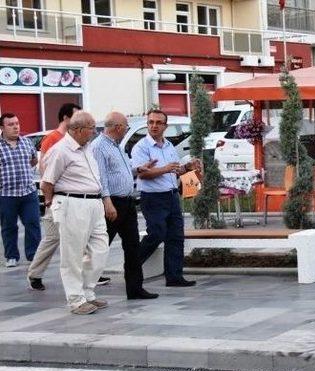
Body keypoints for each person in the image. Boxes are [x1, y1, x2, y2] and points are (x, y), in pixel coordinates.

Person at [40, 111, 109, 315]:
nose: (94, 132)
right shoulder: (60, 150)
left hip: (93, 203)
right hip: (72, 202)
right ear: (78, 130)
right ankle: (76, 299)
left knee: (100, 250)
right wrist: (52, 203)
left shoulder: (87, 148)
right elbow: (47, 182)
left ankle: (87, 293)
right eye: (91, 128)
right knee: (72, 254)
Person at [92, 112, 158, 299]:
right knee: (100, 246)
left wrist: (138, 170)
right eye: (126, 127)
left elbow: (121, 171)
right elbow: (101, 177)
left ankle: (135, 288)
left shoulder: (117, 146)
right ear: (118, 127)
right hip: (112, 203)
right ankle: (85, 287)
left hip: (127, 202)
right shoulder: (99, 147)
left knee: (132, 248)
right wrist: (107, 201)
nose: (127, 129)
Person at [132, 109, 201, 287]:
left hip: (171, 196)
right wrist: (165, 169)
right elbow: (142, 174)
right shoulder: (141, 147)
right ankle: (131, 265)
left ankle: (174, 276)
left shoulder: (169, 145)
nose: (154, 126)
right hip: (153, 198)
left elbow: (174, 170)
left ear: (165, 126)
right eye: (151, 122)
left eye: (158, 123)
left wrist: (187, 167)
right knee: (156, 234)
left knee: (176, 237)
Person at [27, 103, 90, 290]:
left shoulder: (76, 140)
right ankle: (35, 273)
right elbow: (44, 168)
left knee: (82, 235)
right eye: (77, 116)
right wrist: (50, 196)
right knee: (53, 237)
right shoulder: (52, 138)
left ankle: (89, 272)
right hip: (56, 198)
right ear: (65, 118)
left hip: (74, 199)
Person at [0, 113, 41, 268]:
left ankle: (33, 255)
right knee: (9, 226)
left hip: (28, 192)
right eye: (11, 124)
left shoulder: (26, 143)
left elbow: (33, 160)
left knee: (33, 223)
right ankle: (11, 256)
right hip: (6, 195)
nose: (16, 127)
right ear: (2, 128)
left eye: (17, 123)